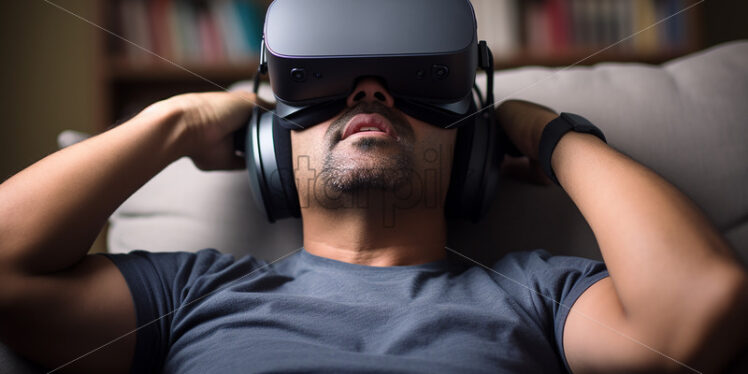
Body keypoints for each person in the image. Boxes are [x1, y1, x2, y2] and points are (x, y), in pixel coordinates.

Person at [0, 76, 746, 373]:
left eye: (411, 88)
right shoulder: (191, 289)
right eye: (322, 91)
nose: (369, 90)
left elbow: (697, 307)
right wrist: (181, 117)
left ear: (474, 147)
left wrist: (549, 133)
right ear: (269, 148)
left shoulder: (538, 293)